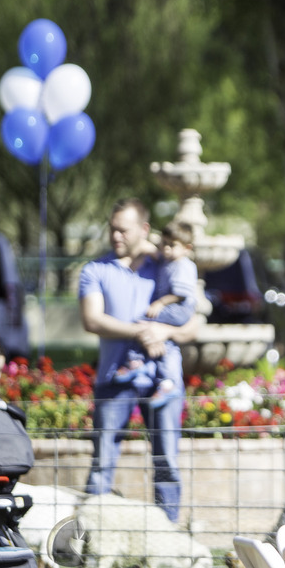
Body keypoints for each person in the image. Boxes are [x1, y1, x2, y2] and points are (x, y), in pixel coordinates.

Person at [79, 198, 199, 522]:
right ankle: (89, 535)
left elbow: (194, 323)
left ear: (143, 230)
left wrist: (162, 331)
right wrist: (139, 332)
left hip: (162, 383)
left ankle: (167, 541)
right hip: (114, 379)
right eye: (112, 229)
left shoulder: (168, 263)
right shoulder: (95, 270)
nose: (115, 236)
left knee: (167, 463)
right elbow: (92, 320)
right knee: (103, 460)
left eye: (123, 230)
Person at [112, 220, 197, 407]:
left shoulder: (182, 265)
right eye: (163, 244)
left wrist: (160, 303)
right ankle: (168, 381)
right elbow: (153, 248)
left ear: (187, 248)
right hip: (178, 311)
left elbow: (180, 294)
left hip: (178, 309)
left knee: (141, 322)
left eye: (171, 245)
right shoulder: (170, 260)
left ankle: (135, 361)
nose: (166, 249)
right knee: (169, 346)